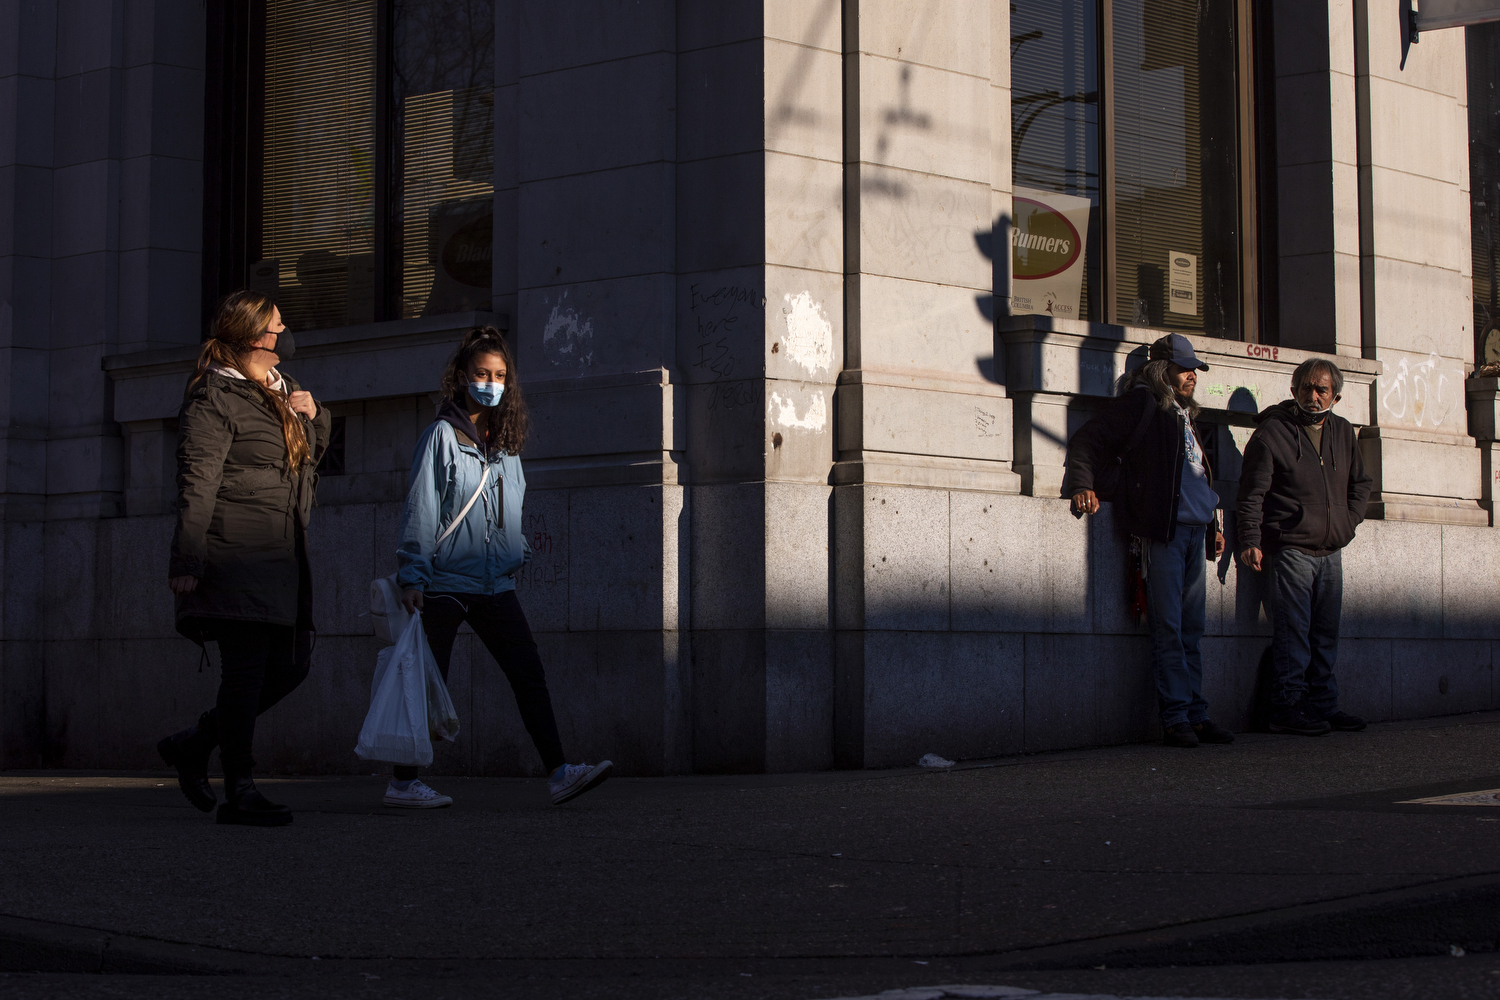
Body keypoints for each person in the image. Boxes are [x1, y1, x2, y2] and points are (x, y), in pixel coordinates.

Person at [389, 326, 612, 808]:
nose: (491, 382)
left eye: (500, 375)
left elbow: (511, 509)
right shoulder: (442, 438)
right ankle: (403, 783)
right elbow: (422, 509)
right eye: (482, 374)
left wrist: (517, 549)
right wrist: (412, 575)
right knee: (430, 683)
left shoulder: (505, 442)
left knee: (528, 673)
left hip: (494, 584)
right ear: (462, 377)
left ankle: (559, 773)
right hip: (444, 582)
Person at [156, 290, 331, 826]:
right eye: (278, 326)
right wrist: (187, 561)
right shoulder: (214, 397)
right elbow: (197, 482)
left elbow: (306, 464)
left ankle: (196, 742)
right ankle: (240, 789)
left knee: (293, 666)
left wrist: (315, 416)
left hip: (282, 554)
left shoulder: (285, 392)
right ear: (256, 336)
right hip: (234, 555)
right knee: (246, 673)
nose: (286, 335)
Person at [1065, 333, 1231, 749]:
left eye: (1194, 370)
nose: (1191, 376)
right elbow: (1087, 439)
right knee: (1169, 629)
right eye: (1183, 369)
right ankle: (1176, 717)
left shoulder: (1184, 415)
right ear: (1161, 370)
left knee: (1192, 630)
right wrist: (1083, 484)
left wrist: (1214, 526)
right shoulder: (1143, 404)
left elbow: (1195, 481)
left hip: (1195, 532)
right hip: (1164, 533)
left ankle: (1196, 712)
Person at [1237, 358, 1372, 736]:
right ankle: (1287, 707)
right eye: (1306, 388)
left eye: (1321, 390)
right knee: (1293, 632)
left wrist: (1349, 520)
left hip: (1331, 550)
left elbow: (1361, 484)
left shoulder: (1344, 432)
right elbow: (1251, 494)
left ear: (1336, 396)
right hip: (1291, 548)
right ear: (1293, 390)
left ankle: (1324, 705)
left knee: (1325, 633)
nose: (1313, 396)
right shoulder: (1272, 434)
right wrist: (1249, 540)